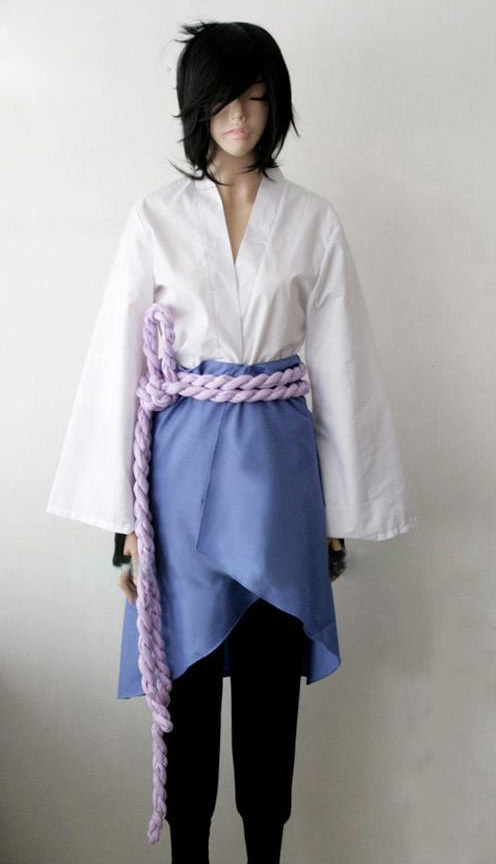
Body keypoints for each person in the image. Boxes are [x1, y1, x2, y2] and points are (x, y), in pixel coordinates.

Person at [46, 19, 418, 863]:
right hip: (179, 483)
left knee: (267, 693)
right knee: (183, 693)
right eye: (224, 99)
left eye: (256, 97)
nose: (241, 117)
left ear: (275, 104)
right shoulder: (155, 218)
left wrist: (340, 518)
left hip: (280, 480)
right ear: (197, 106)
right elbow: (118, 363)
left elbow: (343, 365)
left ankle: (264, 851)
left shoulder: (312, 220)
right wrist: (125, 529)